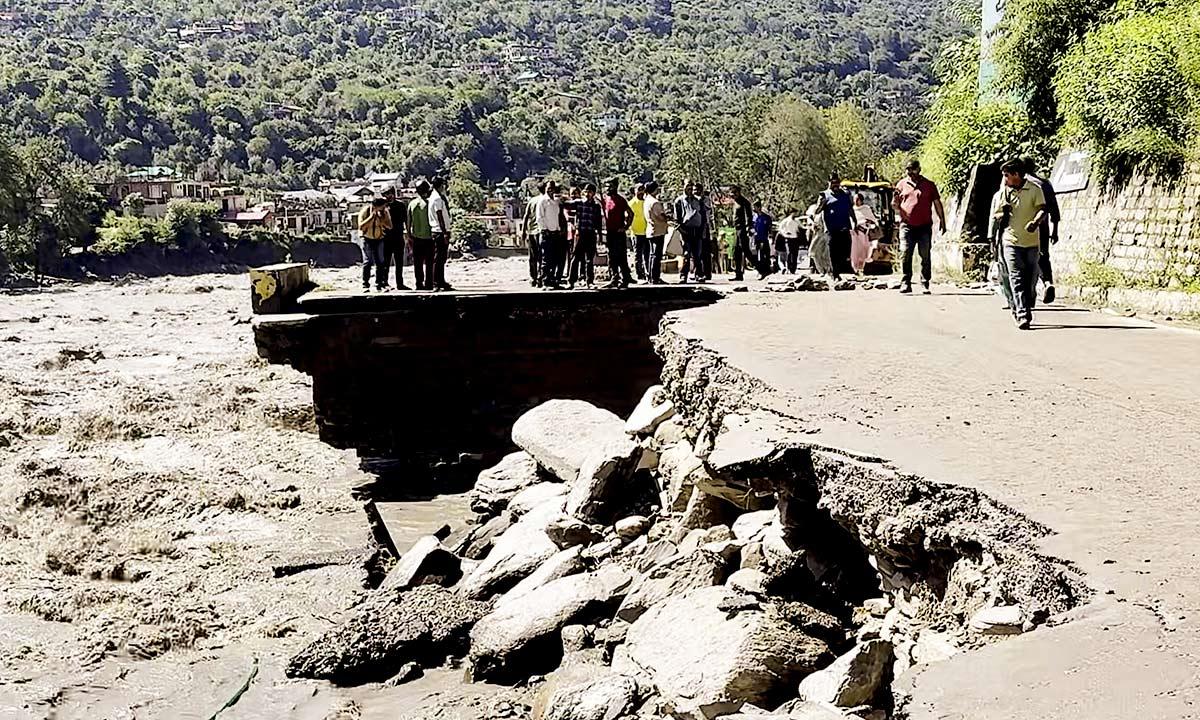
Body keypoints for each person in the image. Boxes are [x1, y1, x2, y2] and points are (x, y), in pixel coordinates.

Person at [994, 158, 1047, 330]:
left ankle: (1028, 301)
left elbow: (1042, 209)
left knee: (1030, 278)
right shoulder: (1005, 192)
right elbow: (997, 215)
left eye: (1006, 175)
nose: (1005, 178)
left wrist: (1035, 222)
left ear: (1016, 174)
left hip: (1031, 242)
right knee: (1015, 277)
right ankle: (1022, 313)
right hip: (1010, 241)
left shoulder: (1034, 189)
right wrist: (1003, 213)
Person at [893, 159, 946, 294]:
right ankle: (906, 282)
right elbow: (895, 205)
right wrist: (896, 206)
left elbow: (937, 203)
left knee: (925, 255)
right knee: (905, 253)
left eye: (913, 169)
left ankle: (924, 282)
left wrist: (942, 221)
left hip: (924, 226)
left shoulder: (929, 185)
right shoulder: (901, 184)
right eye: (908, 169)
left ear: (919, 169)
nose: (910, 172)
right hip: (907, 226)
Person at [1022, 156, 1062, 303]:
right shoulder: (1045, 184)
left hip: (1024, 229)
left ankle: (1029, 294)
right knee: (1043, 257)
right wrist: (1055, 230)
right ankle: (1047, 283)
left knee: (1026, 261)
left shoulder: (1021, 184)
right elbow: (1054, 208)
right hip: (1043, 227)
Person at [818, 172, 854, 280]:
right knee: (833, 252)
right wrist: (821, 204)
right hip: (831, 229)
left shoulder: (845, 194)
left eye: (837, 182)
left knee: (845, 251)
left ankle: (839, 269)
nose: (835, 185)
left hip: (844, 227)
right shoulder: (824, 195)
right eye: (833, 182)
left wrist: (855, 221)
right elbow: (817, 211)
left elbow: (850, 209)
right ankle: (835, 274)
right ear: (829, 183)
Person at [674, 180, 709, 283]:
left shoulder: (698, 201)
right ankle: (683, 275)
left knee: (697, 254)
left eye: (691, 186)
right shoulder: (679, 201)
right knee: (686, 253)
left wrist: (703, 230)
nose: (689, 188)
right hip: (686, 230)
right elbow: (677, 218)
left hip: (697, 230)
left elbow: (703, 217)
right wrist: (681, 230)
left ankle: (699, 275)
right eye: (687, 186)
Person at [569, 183, 602, 289]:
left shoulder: (596, 206)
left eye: (590, 192)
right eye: (586, 192)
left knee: (589, 259)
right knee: (575, 258)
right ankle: (571, 281)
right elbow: (566, 205)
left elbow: (598, 222)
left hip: (591, 234)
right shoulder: (579, 203)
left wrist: (600, 236)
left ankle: (590, 281)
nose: (588, 194)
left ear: (593, 193)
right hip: (580, 234)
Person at [603, 178, 634, 288]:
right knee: (611, 256)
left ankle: (625, 278)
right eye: (606, 186)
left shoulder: (621, 200)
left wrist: (626, 227)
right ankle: (614, 278)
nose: (607, 188)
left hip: (618, 232)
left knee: (621, 256)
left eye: (610, 186)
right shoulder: (605, 199)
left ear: (615, 187)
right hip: (609, 232)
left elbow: (631, 214)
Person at [534, 180, 565, 289]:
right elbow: (539, 217)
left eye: (552, 187)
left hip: (555, 232)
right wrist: (544, 229)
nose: (551, 189)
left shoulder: (556, 201)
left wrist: (559, 229)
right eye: (549, 187)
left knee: (555, 258)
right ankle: (545, 281)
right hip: (546, 233)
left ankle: (552, 280)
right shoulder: (542, 201)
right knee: (546, 259)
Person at [357, 196, 392, 292]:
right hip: (367, 238)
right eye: (382, 207)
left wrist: (382, 220)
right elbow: (361, 226)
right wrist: (371, 218)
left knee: (380, 262)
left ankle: (379, 284)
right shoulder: (365, 211)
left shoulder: (384, 212)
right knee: (367, 261)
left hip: (379, 239)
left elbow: (390, 226)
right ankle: (365, 284)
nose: (384, 208)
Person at [407, 181, 435, 291]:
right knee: (429, 262)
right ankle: (429, 283)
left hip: (416, 237)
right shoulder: (429, 203)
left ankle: (419, 283)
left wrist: (409, 235)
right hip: (429, 237)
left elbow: (408, 221)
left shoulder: (412, 203)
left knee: (417, 263)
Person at [427, 176, 453, 291]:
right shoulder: (437, 198)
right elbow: (439, 216)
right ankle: (436, 282)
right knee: (439, 259)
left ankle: (441, 281)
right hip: (439, 231)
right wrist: (445, 232)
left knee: (441, 259)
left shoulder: (434, 197)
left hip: (438, 230)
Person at [382, 187, 409, 291]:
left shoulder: (400, 205)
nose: (387, 196)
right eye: (385, 194)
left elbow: (406, 220)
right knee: (386, 262)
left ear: (393, 194)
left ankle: (400, 283)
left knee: (399, 262)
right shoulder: (383, 206)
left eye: (388, 194)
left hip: (398, 236)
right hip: (386, 238)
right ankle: (385, 283)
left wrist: (408, 233)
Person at [644, 181, 668, 284]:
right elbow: (660, 216)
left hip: (650, 230)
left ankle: (650, 276)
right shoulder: (655, 202)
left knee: (652, 254)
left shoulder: (646, 201)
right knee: (656, 255)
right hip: (657, 230)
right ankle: (655, 277)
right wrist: (668, 218)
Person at [729, 185, 754, 281]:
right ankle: (738, 274)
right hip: (737, 229)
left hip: (743, 229)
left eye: (735, 192)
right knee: (736, 253)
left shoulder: (745, 202)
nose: (733, 194)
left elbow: (749, 216)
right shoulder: (735, 202)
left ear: (739, 192)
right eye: (732, 192)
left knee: (746, 251)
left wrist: (748, 228)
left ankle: (761, 269)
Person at [850, 193, 878, 275]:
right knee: (855, 252)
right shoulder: (852, 210)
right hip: (855, 233)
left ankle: (861, 268)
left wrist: (868, 221)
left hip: (865, 233)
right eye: (854, 199)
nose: (855, 201)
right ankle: (855, 269)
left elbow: (873, 220)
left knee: (864, 251)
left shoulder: (866, 209)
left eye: (857, 199)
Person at [521, 184, 543, 287]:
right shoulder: (546, 200)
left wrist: (523, 231)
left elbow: (526, 216)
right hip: (542, 231)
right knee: (543, 256)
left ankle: (533, 278)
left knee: (533, 257)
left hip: (532, 231)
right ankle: (540, 277)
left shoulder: (532, 200)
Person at [630, 184, 649, 281]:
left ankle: (648, 273)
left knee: (647, 255)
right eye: (639, 190)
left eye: (643, 190)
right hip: (636, 233)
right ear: (635, 191)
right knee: (638, 255)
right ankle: (639, 274)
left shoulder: (647, 202)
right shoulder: (631, 203)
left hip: (647, 232)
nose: (641, 192)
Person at [778, 209, 805, 274]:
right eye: (794, 213)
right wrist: (784, 234)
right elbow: (780, 228)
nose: (795, 214)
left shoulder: (797, 221)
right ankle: (789, 268)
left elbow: (802, 227)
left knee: (795, 254)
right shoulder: (786, 221)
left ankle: (793, 269)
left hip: (795, 238)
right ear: (791, 213)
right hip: (788, 238)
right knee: (789, 253)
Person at [752, 201, 774, 279]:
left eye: (755, 207)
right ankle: (761, 271)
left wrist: (771, 236)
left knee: (764, 254)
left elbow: (770, 228)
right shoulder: (754, 217)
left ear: (759, 207)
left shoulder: (766, 217)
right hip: (756, 238)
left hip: (764, 238)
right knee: (757, 255)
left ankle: (766, 270)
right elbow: (752, 227)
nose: (753, 209)